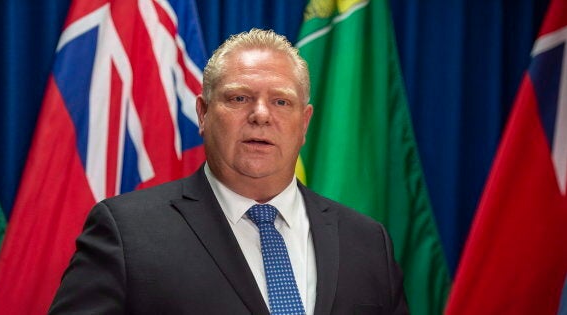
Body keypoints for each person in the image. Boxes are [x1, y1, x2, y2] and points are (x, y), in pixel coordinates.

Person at [49, 28, 408, 315]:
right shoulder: (126, 232)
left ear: (305, 123)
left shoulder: (367, 241)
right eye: (239, 98)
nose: (261, 115)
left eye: (281, 101)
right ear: (203, 114)